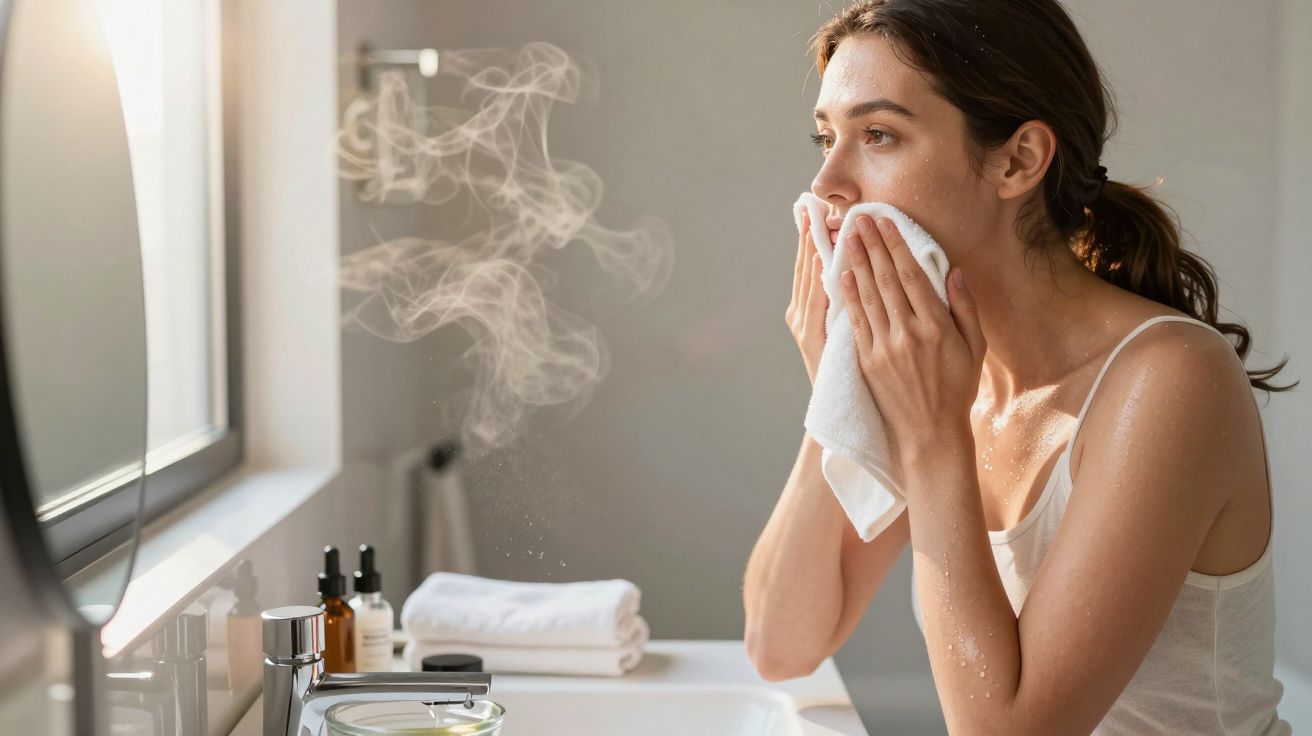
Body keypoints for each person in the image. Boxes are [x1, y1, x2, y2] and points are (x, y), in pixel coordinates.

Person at [742, 1, 1297, 733]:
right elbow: (782, 646)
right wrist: (837, 387)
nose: (827, 187)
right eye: (825, 139)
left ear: (1018, 161)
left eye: (878, 135)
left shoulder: (1170, 380)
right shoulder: (940, 368)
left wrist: (936, 438)